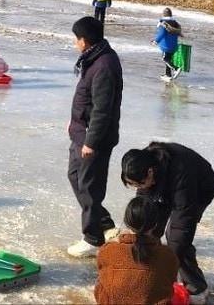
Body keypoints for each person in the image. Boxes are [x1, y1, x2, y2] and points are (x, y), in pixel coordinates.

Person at [120, 142, 214, 300]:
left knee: (177, 240)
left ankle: (197, 288)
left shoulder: (181, 172)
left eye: (140, 184)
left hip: (198, 189)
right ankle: (148, 274)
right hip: (164, 187)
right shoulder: (140, 165)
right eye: (134, 185)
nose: (139, 187)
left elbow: (182, 224)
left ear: (150, 172)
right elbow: (143, 208)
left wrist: (166, 264)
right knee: (148, 230)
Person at [67, 16, 124, 258]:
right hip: (81, 132)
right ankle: (104, 222)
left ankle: (92, 237)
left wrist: (91, 141)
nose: (74, 43)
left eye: (76, 39)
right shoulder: (94, 58)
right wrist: (74, 121)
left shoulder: (104, 65)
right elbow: (86, 99)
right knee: (75, 176)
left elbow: (103, 108)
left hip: (94, 139)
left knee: (89, 186)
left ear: (84, 40)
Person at [94, 196, 178, 305]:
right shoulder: (168, 255)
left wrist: (114, 241)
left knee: (101, 280)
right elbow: (170, 281)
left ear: (126, 221)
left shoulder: (108, 250)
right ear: (155, 224)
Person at [152, 8, 183, 82]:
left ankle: (176, 68)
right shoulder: (175, 23)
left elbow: (161, 34)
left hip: (166, 46)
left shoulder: (164, 24)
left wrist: (155, 41)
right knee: (169, 59)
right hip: (173, 45)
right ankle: (168, 74)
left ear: (164, 14)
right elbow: (179, 33)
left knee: (165, 58)